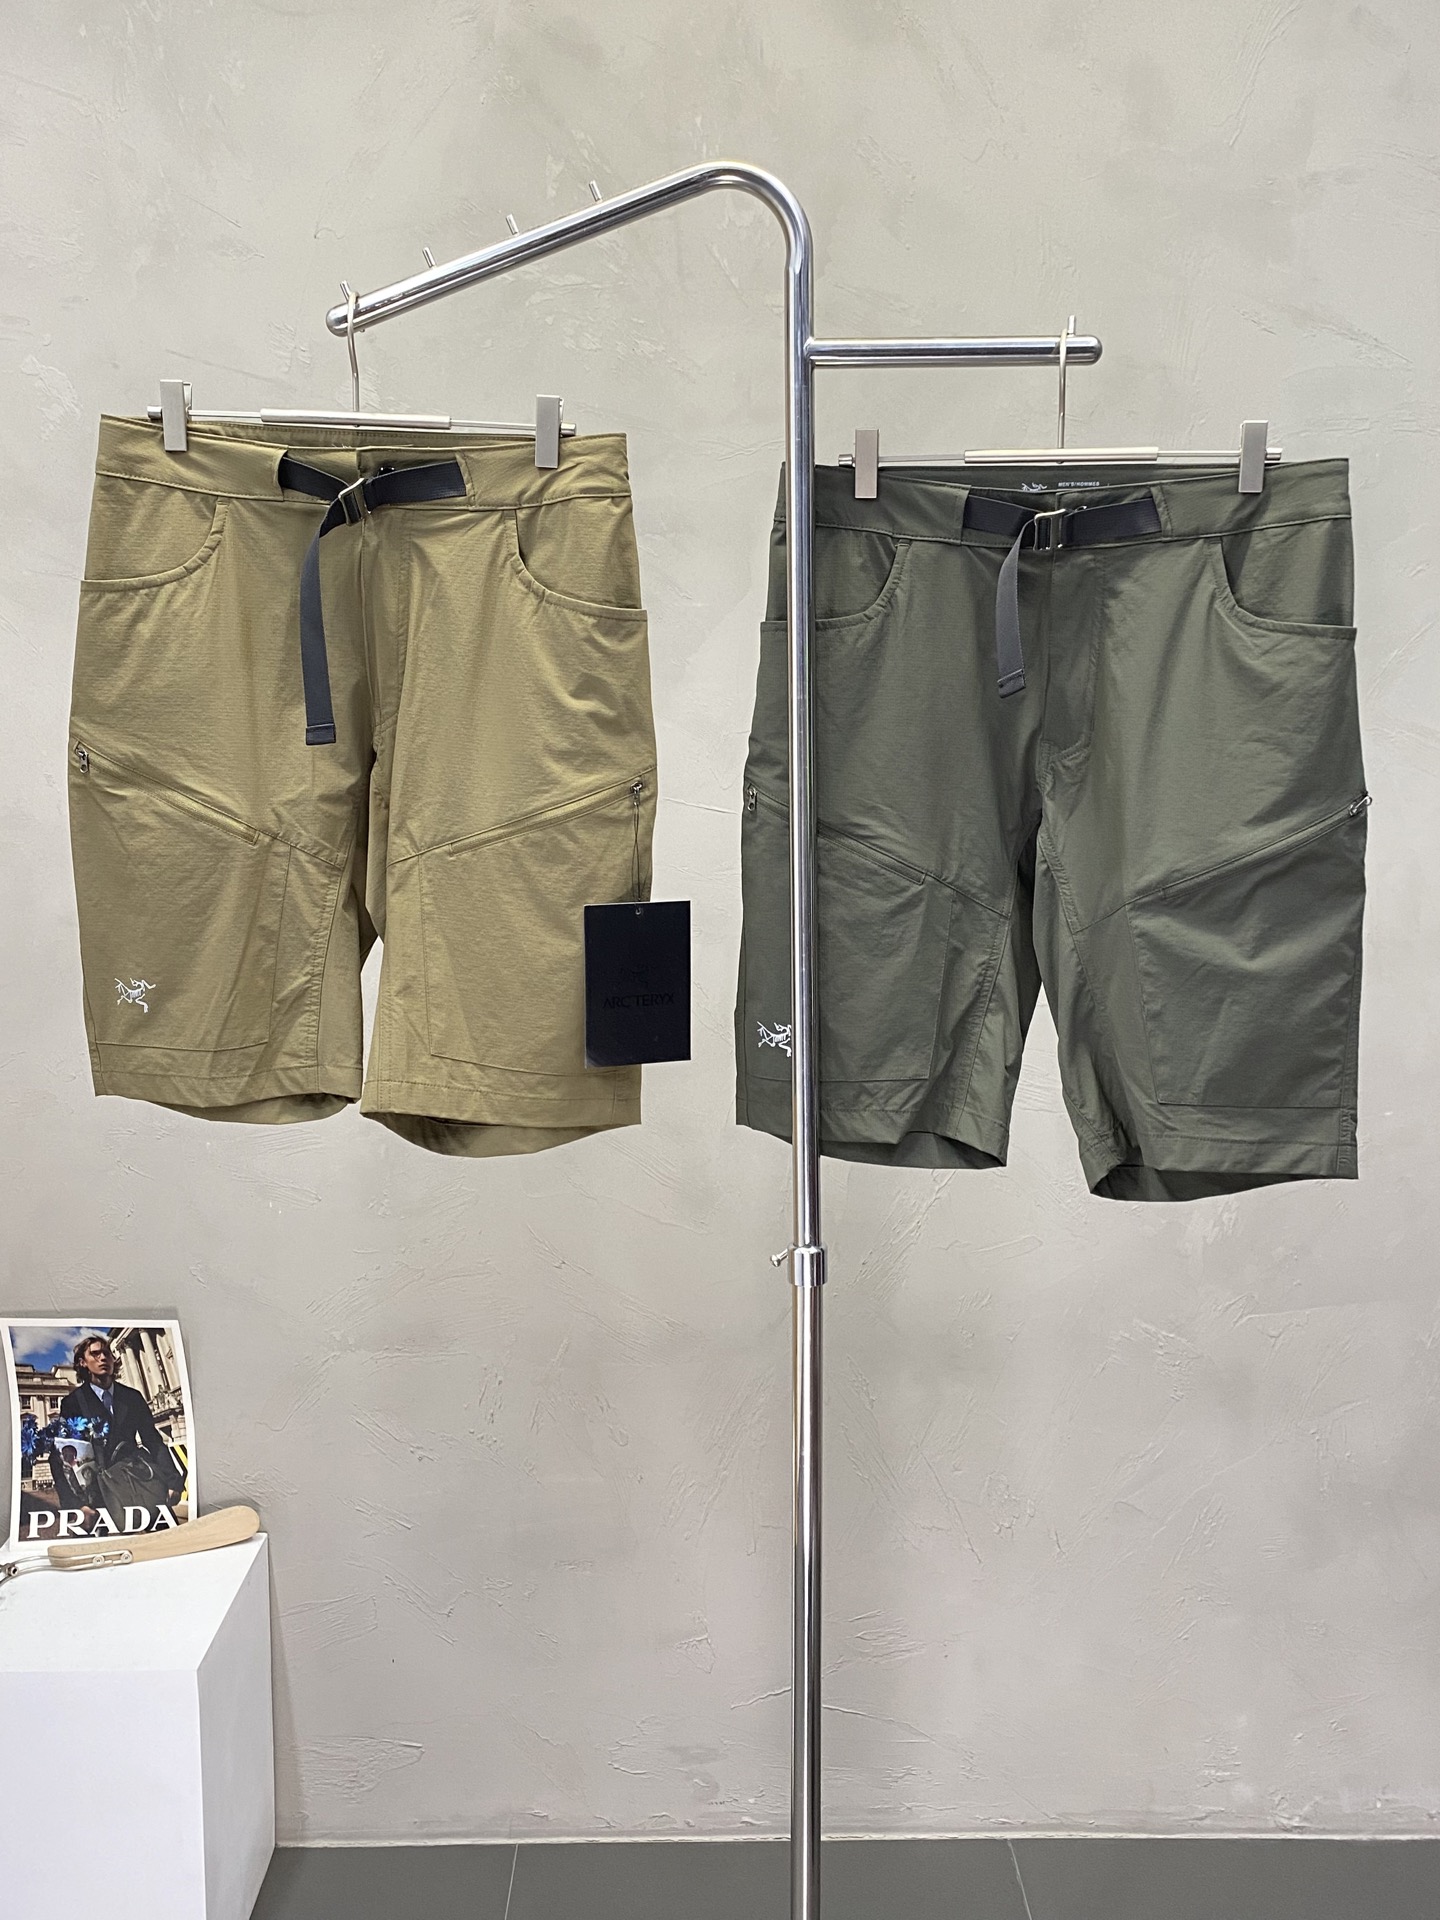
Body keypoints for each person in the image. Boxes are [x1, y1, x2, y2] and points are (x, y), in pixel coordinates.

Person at [59, 1335, 185, 1529]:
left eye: (107, 1353)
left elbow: (153, 1441)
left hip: (140, 1480)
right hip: (98, 1494)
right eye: (95, 1354)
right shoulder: (73, 1403)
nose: (103, 1358)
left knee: (168, 1537)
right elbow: (62, 1457)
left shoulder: (132, 1397)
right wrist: (76, 1505)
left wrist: (173, 1482)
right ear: (83, 1362)